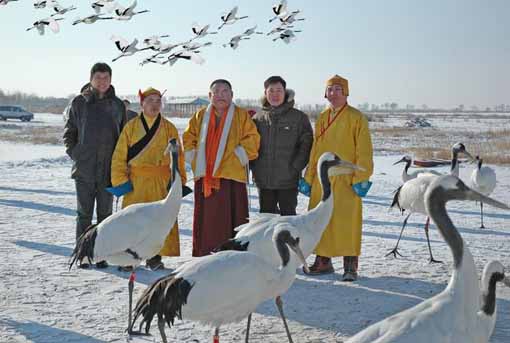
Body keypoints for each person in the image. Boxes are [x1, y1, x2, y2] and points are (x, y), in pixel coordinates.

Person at [302, 74, 374, 281]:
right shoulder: (323, 117)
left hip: (347, 178)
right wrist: (309, 176)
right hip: (322, 179)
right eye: (330, 89)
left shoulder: (356, 117)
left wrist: (361, 176)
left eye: (338, 90)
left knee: (347, 222)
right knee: (320, 220)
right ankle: (322, 262)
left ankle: (350, 266)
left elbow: (364, 150)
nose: (333, 94)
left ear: (346, 93)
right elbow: (316, 149)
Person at [110, 87, 187, 271]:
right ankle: (128, 258)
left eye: (157, 101)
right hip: (136, 182)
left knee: (158, 221)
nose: (154, 104)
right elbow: (119, 156)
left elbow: (180, 157)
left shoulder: (169, 127)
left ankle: (154, 257)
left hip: (161, 182)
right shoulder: (131, 127)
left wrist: (178, 181)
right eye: (150, 100)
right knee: (132, 220)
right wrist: (121, 180)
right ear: (142, 103)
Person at [183, 79, 260, 256]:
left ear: (232, 95)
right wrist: (195, 157)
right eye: (216, 92)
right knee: (208, 219)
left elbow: (253, 139)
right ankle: (205, 251)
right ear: (210, 96)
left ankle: (234, 255)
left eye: (225, 91)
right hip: (206, 176)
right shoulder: (200, 116)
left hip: (231, 176)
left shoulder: (241, 116)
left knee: (232, 218)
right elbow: (188, 139)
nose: (220, 95)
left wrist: (236, 157)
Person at [63, 62, 127, 269]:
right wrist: (76, 153)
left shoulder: (117, 105)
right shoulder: (79, 103)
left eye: (106, 78)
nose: (102, 81)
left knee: (105, 215)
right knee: (83, 213)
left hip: (109, 169)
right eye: (98, 77)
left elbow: (124, 136)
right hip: (84, 168)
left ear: (111, 80)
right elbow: (69, 132)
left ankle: (100, 254)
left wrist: (121, 164)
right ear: (91, 79)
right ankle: (83, 254)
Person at [250, 76, 313, 215]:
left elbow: (306, 145)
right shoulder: (257, 118)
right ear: (265, 93)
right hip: (264, 180)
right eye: (271, 90)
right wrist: (254, 167)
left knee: (288, 220)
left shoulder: (299, 117)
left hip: (288, 180)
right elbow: (251, 146)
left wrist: (295, 167)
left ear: (285, 93)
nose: (275, 94)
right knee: (266, 219)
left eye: (279, 90)